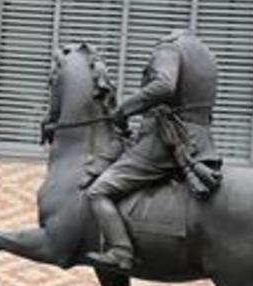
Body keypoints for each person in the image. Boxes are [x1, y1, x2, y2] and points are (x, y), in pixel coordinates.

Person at [85, 28, 222, 272]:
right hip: (200, 141)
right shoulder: (206, 53)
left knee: (98, 192)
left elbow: (164, 86)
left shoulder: (169, 46)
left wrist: (124, 109)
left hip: (164, 142)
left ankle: (120, 251)